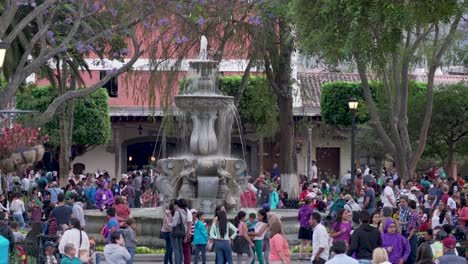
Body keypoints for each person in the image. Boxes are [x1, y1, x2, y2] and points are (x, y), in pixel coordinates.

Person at [170, 199, 189, 264]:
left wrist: (169, 224)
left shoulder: (177, 212)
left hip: (175, 232)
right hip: (181, 232)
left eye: (174, 205)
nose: (174, 207)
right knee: (180, 249)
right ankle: (180, 262)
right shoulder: (185, 212)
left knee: (176, 250)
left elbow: (174, 224)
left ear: (176, 205)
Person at [406, 200, 421, 264]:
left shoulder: (413, 215)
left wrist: (409, 238)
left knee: (413, 254)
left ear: (409, 207)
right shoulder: (417, 214)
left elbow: (413, 229)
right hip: (416, 235)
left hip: (412, 236)